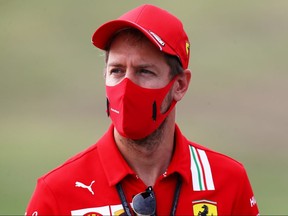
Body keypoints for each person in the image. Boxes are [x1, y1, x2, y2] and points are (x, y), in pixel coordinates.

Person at [25, 4, 259, 216]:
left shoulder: (228, 181)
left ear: (179, 85)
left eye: (144, 71)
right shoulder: (57, 191)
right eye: (116, 70)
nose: (127, 86)